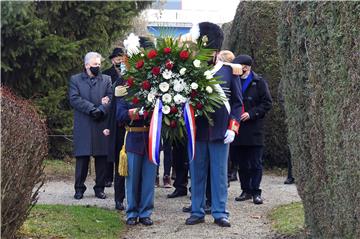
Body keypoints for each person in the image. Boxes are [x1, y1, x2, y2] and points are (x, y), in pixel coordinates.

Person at [184, 22, 243, 228]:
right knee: (197, 173)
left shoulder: (228, 72)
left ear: (217, 52)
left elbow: (236, 102)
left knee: (219, 175)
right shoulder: (192, 71)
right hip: (197, 132)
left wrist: (232, 128)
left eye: (210, 51)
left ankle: (220, 212)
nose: (206, 55)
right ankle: (197, 211)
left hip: (220, 132)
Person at [116, 36, 157, 226]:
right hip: (133, 135)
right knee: (132, 180)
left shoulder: (156, 82)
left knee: (149, 178)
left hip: (151, 135)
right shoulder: (125, 85)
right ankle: (131, 212)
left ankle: (146, 212)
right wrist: (134, 112)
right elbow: (119, 115)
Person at [69, 52, 112, 200]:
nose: (98, 67)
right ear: (87, 65)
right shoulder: (75, 79)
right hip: (84, 123)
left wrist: (101, 110)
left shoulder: (106, 79)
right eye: (95, 65)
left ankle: (99, 188)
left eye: (99, 64)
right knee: (82, 158)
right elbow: (74, 99)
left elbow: (111, 98)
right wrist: (92, 109)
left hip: (101, 122)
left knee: (101, 158)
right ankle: (79, 188)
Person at [231, 54, 272, 205]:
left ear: (246, 67)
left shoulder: (259, 82)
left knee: (255, 163)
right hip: (238, 129)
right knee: (242, 163)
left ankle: (256, 191)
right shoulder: (233, 81)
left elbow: (267, 103)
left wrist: (252, 113)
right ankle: (245, 190)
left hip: (254, 129)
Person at [102, 47, 127, 210]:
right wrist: (108, 126)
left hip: (137, 129)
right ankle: (119, 198)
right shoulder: (118, 82)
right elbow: (112, 108)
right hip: (120, 129)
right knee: (120, 166)